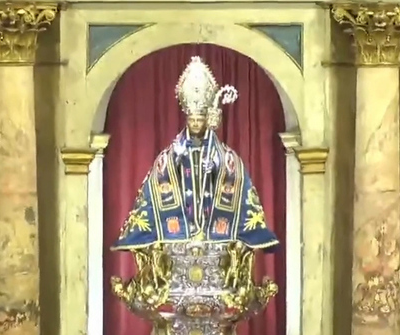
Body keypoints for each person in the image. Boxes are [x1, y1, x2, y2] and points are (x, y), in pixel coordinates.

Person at [112, 56, 278, 251]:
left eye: (200, 121)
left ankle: (206, 230)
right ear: (187, 120)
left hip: (212, 217)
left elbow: (232, 173)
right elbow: (161, 175)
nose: (196, 125)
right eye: (193, 121)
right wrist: (177, 159)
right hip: (183, 212)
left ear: (206, 121)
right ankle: (188, 231)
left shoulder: (222, 153)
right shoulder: (174, 150)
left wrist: (216, 164)